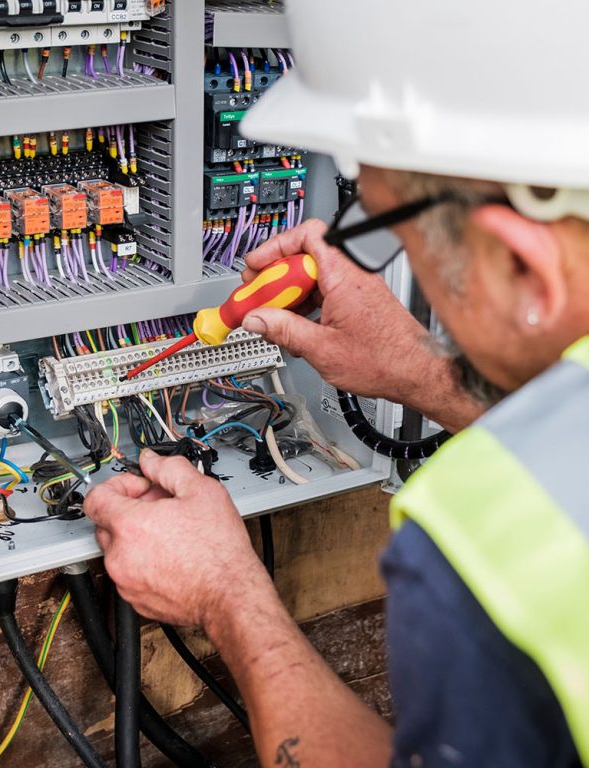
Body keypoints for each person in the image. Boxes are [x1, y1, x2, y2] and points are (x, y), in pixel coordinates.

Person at [85, 1, 589, 765]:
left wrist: (226, 593)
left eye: (397, 240)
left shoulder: (488, 549)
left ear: (523, 265)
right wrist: (428, 375)